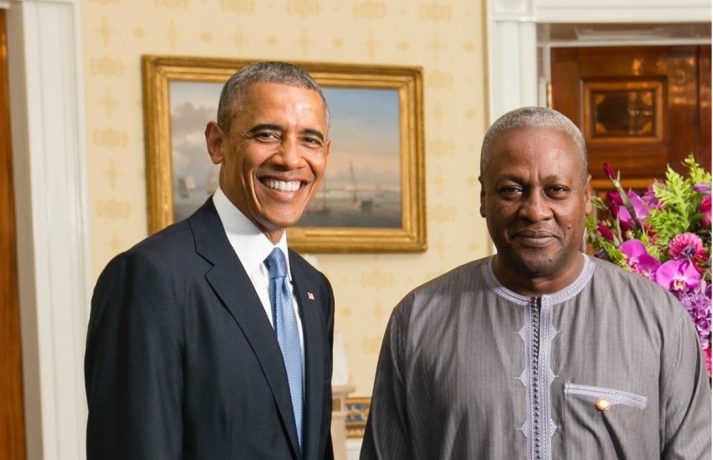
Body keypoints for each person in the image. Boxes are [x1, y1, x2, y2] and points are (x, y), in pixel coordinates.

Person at [360, 106, 711, 459]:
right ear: (484, 197)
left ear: (586, 198)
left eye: (556, 189)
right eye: (511, 190)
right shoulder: (419, 319)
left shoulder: (659, 320)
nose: (535, 210)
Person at [85, 61, 335, 459]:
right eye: (267, 134)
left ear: (325, 153)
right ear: (216, 142)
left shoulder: (313, 289)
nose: (290, 159)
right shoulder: (151, 278)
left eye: (309, 139)